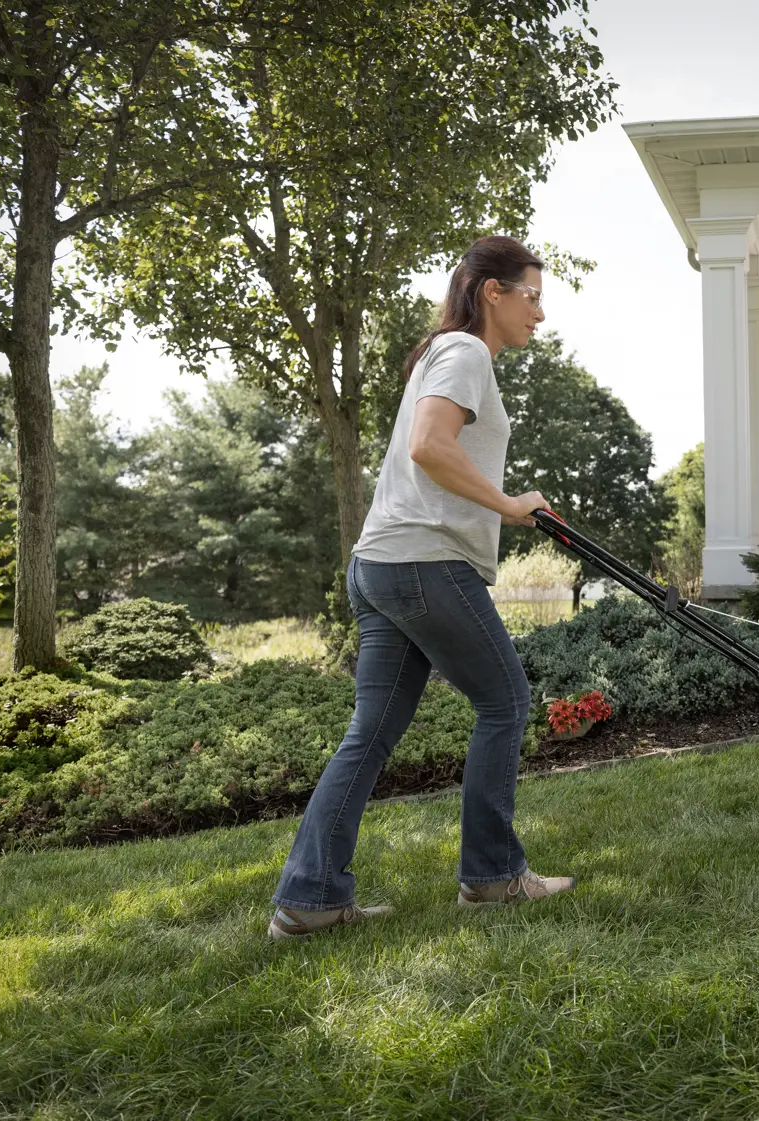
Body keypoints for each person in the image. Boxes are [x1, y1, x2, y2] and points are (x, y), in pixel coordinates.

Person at [268, 235, 571, 939]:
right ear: (492, 292)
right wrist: (508, 504)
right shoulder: (464, 352)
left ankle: (309, 898)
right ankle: (494, 876)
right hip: (424, 563)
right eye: (532, 296)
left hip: (380, 563)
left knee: (369, 734)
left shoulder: (448, 353)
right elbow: (429, 448)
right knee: (505, 699)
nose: (541, 314)